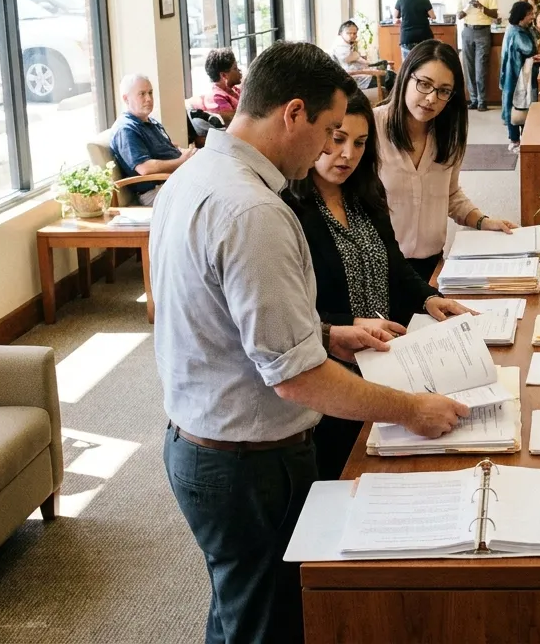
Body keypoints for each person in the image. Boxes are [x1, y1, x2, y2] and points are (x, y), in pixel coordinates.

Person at [153, 41, 468, 644]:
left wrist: (325, 332)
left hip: (201, 439)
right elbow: (296, 376)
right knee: (268, 621)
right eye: (327, 130)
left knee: (239, 606)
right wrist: (412, 410)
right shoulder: (255, 211)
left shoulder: (196, 174)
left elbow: (220, 312)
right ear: (293, 113)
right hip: (247, 459)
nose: (331, 148)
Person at [289, 91, 474, 480]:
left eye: (359, 143)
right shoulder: (290, 210)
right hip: (331, 374)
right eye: (337, 139)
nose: (347, 155)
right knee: (344, 472)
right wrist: (348, 323)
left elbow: (394, 264)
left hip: (387, 361)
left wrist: (428, 298)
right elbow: (293, 317)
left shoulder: (366, 193)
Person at [376, 40, 518, 281]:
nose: (432, 98)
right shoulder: (371, 129)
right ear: (406, 78)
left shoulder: (449, 135)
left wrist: (483, 221)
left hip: (432, 262)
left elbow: (449, 194)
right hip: (381, 264)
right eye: (424, 84)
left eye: (443, 91)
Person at [110, 74, 195, 206]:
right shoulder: (126, 129)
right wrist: (182, 161)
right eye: (142, 94)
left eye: (150, 93)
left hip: (174, 180)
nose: (148, 99)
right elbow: (145, 168)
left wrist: (188, 153)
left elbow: (169, 148)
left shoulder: (150, 121)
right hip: (158, 190)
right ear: (126, 99)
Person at [499, 0, 540, 151]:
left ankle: (519, 138)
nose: (532, 17)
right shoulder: (517, 32)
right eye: (530, 15)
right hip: (517, 76)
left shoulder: (514, 29)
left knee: (517, 105)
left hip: (515, 75)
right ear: (522, 16)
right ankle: (516, 140)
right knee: (517, 106)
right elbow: (529, 49)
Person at [458, 0, 500, 110]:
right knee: (469, 67)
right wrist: (467, 8)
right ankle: (473, 99)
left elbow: (494, 14)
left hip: (483, 31)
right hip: (467, 30)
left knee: (481, 67)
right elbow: (458, 15)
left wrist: (481, 7)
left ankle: (482, 101)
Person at [192, 48, 242, 124]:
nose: (239, 71)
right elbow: (232, 123)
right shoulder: (217, 97)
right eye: (235, 68)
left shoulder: (234, 90)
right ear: (224, 75)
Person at [393, 0, 436, 64]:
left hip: (407, 38)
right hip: (423, 37)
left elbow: (395, 17)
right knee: (423, 64)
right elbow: (433, 16)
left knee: (407, 66)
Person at [331, 20, 385, 89]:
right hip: (357, 81)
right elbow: (349, 59)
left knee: (391, 76)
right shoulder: (340, 45)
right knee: (391, 78)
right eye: (349, 33)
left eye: (355, 33)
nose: (352, 36)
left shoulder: (346, 43)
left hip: (362, 76)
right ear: (341, 33)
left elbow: (359, 59)